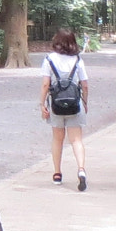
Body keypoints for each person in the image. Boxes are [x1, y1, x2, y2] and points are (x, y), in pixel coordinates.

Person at [40, 27, 89, 190]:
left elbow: (46, 84)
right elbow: (85, 84)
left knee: (57, 139)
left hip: (56, 105)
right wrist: (85, 102)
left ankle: (57, 173)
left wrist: (42, 104)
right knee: (76, 140)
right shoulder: (78, 60)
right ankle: (81, 169)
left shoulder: (49, 59)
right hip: (75, 104)